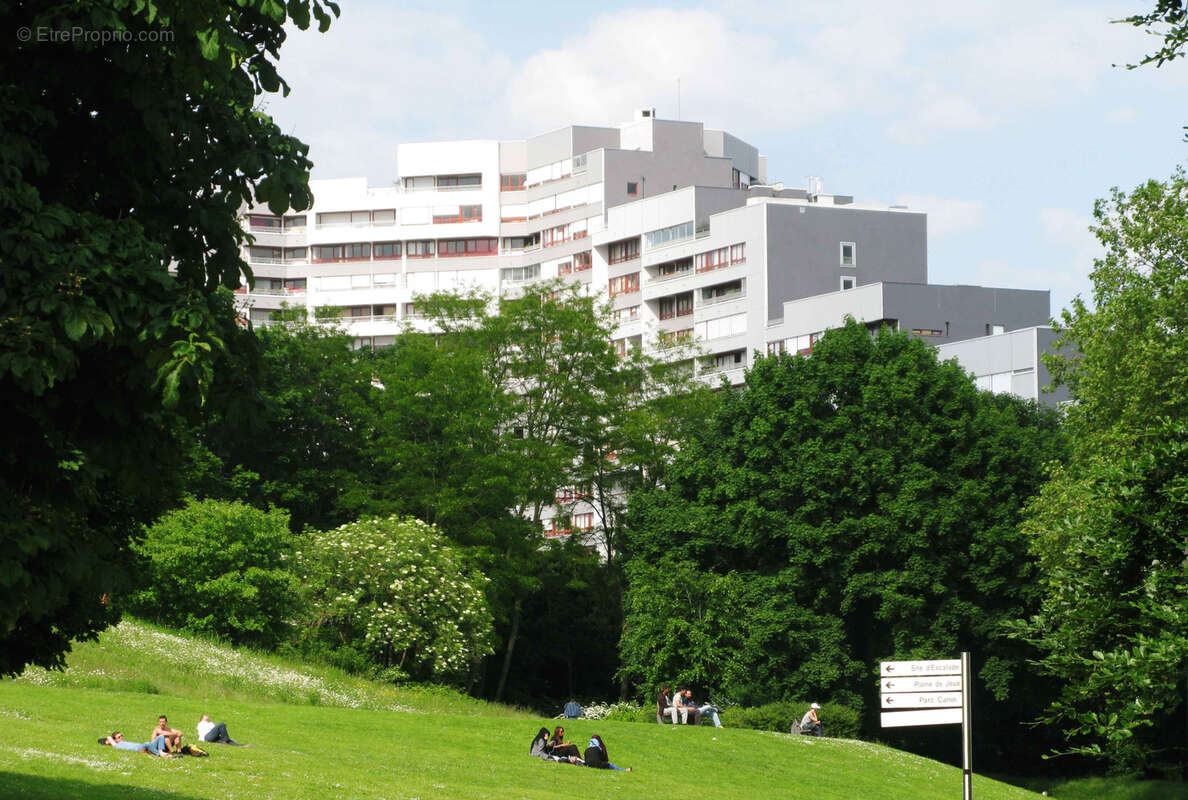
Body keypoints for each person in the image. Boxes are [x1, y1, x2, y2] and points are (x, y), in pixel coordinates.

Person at [99, 731, 173, 758]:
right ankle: (160, 755)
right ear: (114, 740)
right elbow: (109, 738)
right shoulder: (117, 745)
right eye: (119, 737)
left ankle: (161, 752)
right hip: (141, 748)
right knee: (147, 743)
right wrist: (108, 740)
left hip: (144, 746)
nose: (121, 737)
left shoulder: (123, 742)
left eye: (121, 735)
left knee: (161, 736)